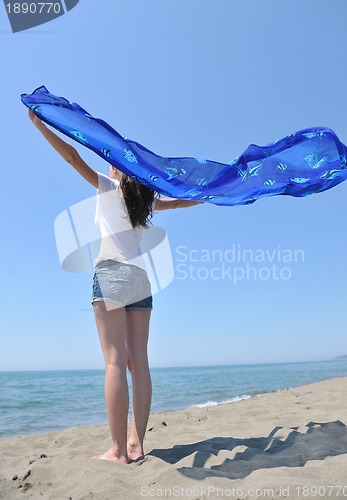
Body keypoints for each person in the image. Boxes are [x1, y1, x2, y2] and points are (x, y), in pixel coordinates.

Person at [28, 109, 204, 464]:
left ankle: (118, 451)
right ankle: (138, 444)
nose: (110, 166)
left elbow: (72, 155)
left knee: (114, 362)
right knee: (139, 363)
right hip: (141, 281)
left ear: (120, 170)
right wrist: (211, 192)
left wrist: (39, 124)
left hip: (110, 274)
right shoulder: (146, 201)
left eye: (114, 162)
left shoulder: (108, 188)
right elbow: (184, 200)